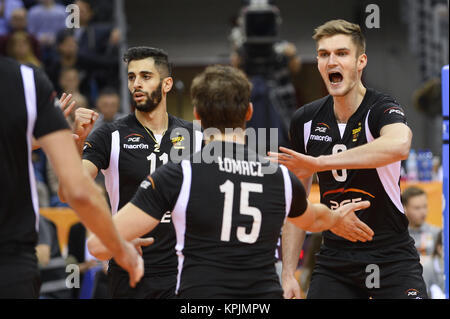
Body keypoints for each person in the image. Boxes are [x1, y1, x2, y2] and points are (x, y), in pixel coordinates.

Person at [87, 65, 374, 299]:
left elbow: (98, 245)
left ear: (197, 116)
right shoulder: (281, 177)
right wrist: (337, 217)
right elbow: (313, 220)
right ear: (249, 112)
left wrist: (121, 247)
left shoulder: (177, 174)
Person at [268, 19, 428, 299]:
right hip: (336, 260)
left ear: (360, 62)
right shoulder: (305, 120)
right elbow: (296, 204)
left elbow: (400, 145)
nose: (331, 61)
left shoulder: (380, 108)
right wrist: (288, 273)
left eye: (341, 53)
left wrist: (320, 163)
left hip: (390, 257)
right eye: (323, 54)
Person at [0, 55, 144, 298]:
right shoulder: (25, 80)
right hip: (10, 261)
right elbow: (74, 191)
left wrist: (34, 139)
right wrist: (120, 249)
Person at [67, 46, 201, 299]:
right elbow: (75, 188)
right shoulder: (110, 134)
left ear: (167, 84)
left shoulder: (196, 136)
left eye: (145, 76)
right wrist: (76, 144)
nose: (136, 84)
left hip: (185, 269)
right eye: (131, 77)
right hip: (129, 267)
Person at [401, 186, 441, 258]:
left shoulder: (437, 233)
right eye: (417, 208)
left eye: (425, 206)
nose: (423, 212)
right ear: (404, 209)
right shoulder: (398, 235)